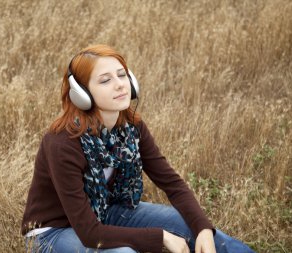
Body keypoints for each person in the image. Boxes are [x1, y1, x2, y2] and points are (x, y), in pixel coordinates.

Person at [21, 44, 255, 253]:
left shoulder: (131, 126)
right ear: (81, 94)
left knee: (188, 225)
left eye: (122, 75)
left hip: (106, 211)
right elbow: (89, 233)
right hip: (54, 231)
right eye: (105, 80)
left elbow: (171, 183)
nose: (120, 84)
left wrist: (203, 228)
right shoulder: (62, 142)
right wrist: (160, 237)